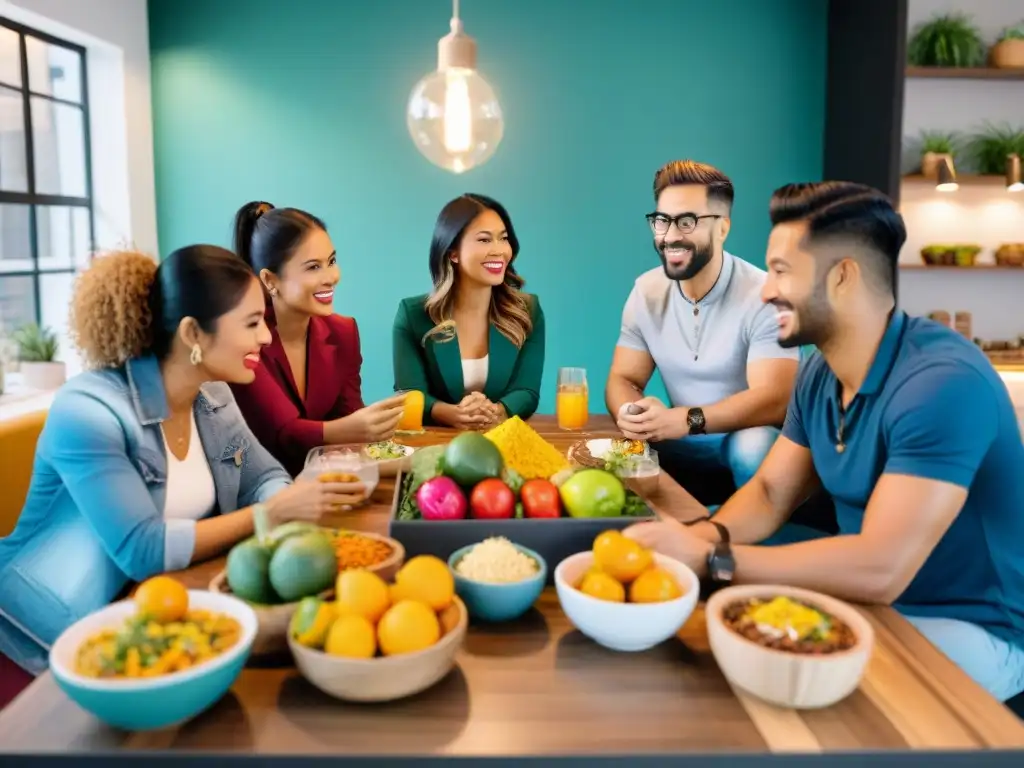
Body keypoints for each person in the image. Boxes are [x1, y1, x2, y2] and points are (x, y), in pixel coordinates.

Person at [624, 181, 1024, 702]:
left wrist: (713, 561)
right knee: (724, 656)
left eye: (783, 272)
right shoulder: (819, 374)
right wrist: (698, 539)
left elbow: (881, 567)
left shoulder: (942, 384)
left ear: (842, 277)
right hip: (875, 602)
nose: (766, 291)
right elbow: (771, 493)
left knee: (787, 683)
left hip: (974, 627)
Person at [0, 246, 358, 707]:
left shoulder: (214, 396)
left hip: (147, 628)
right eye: (251, 323)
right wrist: (272, 513)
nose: (267, 338)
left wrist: (281, 502)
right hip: (39, 650)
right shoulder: (87, 411)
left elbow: (262, 476)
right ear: (193, 333)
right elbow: (142, 549)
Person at [607, 160, 802, 508]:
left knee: (753, 443)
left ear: (723, 228)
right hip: (678, 441)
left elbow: (775, 398)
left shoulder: (763, 294)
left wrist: (686, 419)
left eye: (687, 221)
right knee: (616, 448)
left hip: (741, 445)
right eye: (662, 221)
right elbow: (623, 377)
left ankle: (750, 550)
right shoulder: (645, 291)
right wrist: (632, 412)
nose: (670, 236)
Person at [231, 201, 405, 476]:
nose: (331, 277)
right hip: (260, 489)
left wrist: (386, 436)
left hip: (326, 482)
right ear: (270, 280)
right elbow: (282, 433)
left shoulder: (343, 332)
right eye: (313, 267)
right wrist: (354, 427)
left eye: (332, 261)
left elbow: (350, 418)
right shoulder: (247, 338)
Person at [392, 193, 545, 429]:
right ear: (452, 252)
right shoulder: (413, 315)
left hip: (502, 439)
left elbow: (527, 391)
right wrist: (450, 413)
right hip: (433, 444)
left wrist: (497, 411)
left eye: (503, 239)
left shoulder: (528, 310)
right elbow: (409, 393)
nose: (499, 251)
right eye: (484, 240)